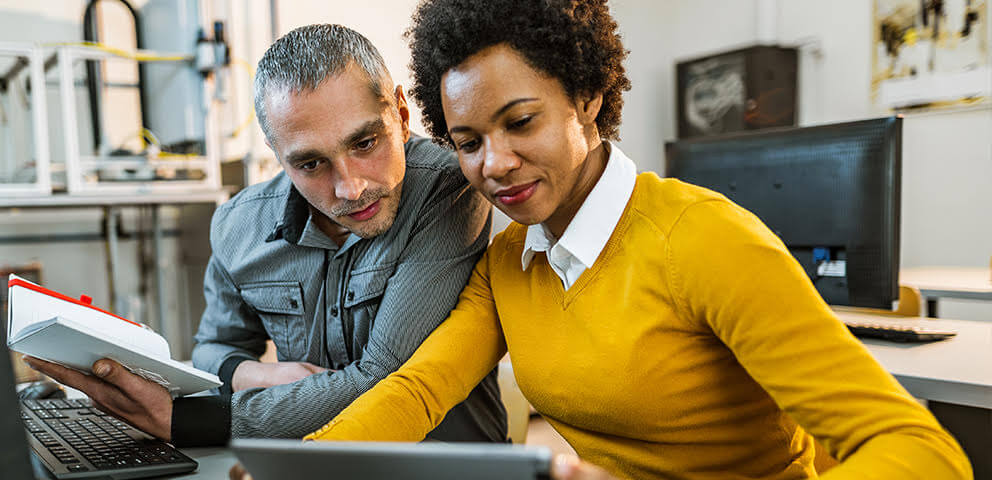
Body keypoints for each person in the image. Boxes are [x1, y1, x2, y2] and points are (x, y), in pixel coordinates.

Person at [300, 1, 972, 479]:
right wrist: (303, 466)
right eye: (468, 143)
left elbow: (920, 450)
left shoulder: (706, 242)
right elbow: (419, 389)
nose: (493, 163)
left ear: (588, 97)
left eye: (521, 122)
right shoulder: (510, 259)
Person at [25, 24, 507, 447]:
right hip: (307, 463)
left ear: (401, 116)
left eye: (365, 143)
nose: (350, 187)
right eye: (310, 163)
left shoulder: (450, 189)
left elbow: (385, 377)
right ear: (278, 155)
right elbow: (213, 347)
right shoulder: (238, 226)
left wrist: (190, 419)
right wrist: (251, 372)